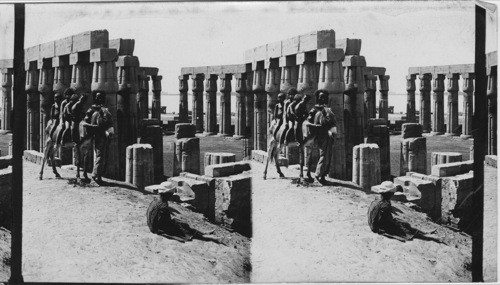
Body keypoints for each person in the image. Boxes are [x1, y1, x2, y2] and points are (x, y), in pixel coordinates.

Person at [146, 182, 223, 244]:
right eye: (171, 193)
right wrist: (177, 224)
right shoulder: (163, 205)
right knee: (182, 227)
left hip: (152, 226)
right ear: (168, 194)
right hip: (158, 229)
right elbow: (167, 223)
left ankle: (202, 233)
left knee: (180, 223)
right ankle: (205, 237)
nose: (172, 194)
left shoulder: (156, 200)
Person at [368, 181, 442, 243]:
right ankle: (423, 235)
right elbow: (384, 221)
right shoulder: (385, 205)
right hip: (379, 228)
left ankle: (423, 232)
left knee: (402, 222)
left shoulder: (376, 200)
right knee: (404, 227)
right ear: (390, 194)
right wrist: (394, 223)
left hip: (373, 225)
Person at [81, 91, 113, 185]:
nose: (99, 99)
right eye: (98, 97)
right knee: (100, 156)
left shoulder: (93, 109)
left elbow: (86, 121)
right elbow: (106, 122)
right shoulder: (101, 110)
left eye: (100, 97)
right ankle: (95, 175)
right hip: (100, 135)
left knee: (99, 155)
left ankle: (97, 176)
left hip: (95, 135)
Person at [309, 90, 336, 184]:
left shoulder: (327, 109)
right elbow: (309, 123)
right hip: (321, 135)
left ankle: (323, 176)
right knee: (324, 156)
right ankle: (317, 175)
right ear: (318, 98)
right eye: (321, 97)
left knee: (327, 156)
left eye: (324, 97)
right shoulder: (315, 110)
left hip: (326, 135)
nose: (322, 98)